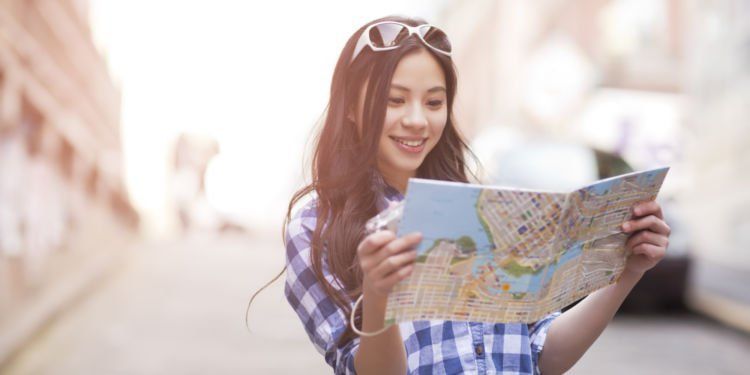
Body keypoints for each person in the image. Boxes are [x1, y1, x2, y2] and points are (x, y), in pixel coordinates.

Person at [277, 16, 671, 374]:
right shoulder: (316, 227)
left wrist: (628, 272)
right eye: (394, 100)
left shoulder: (487, 209)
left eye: (434, 102)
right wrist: (379, 297)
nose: (417, 120)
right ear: (351, 106)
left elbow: (540, 357)